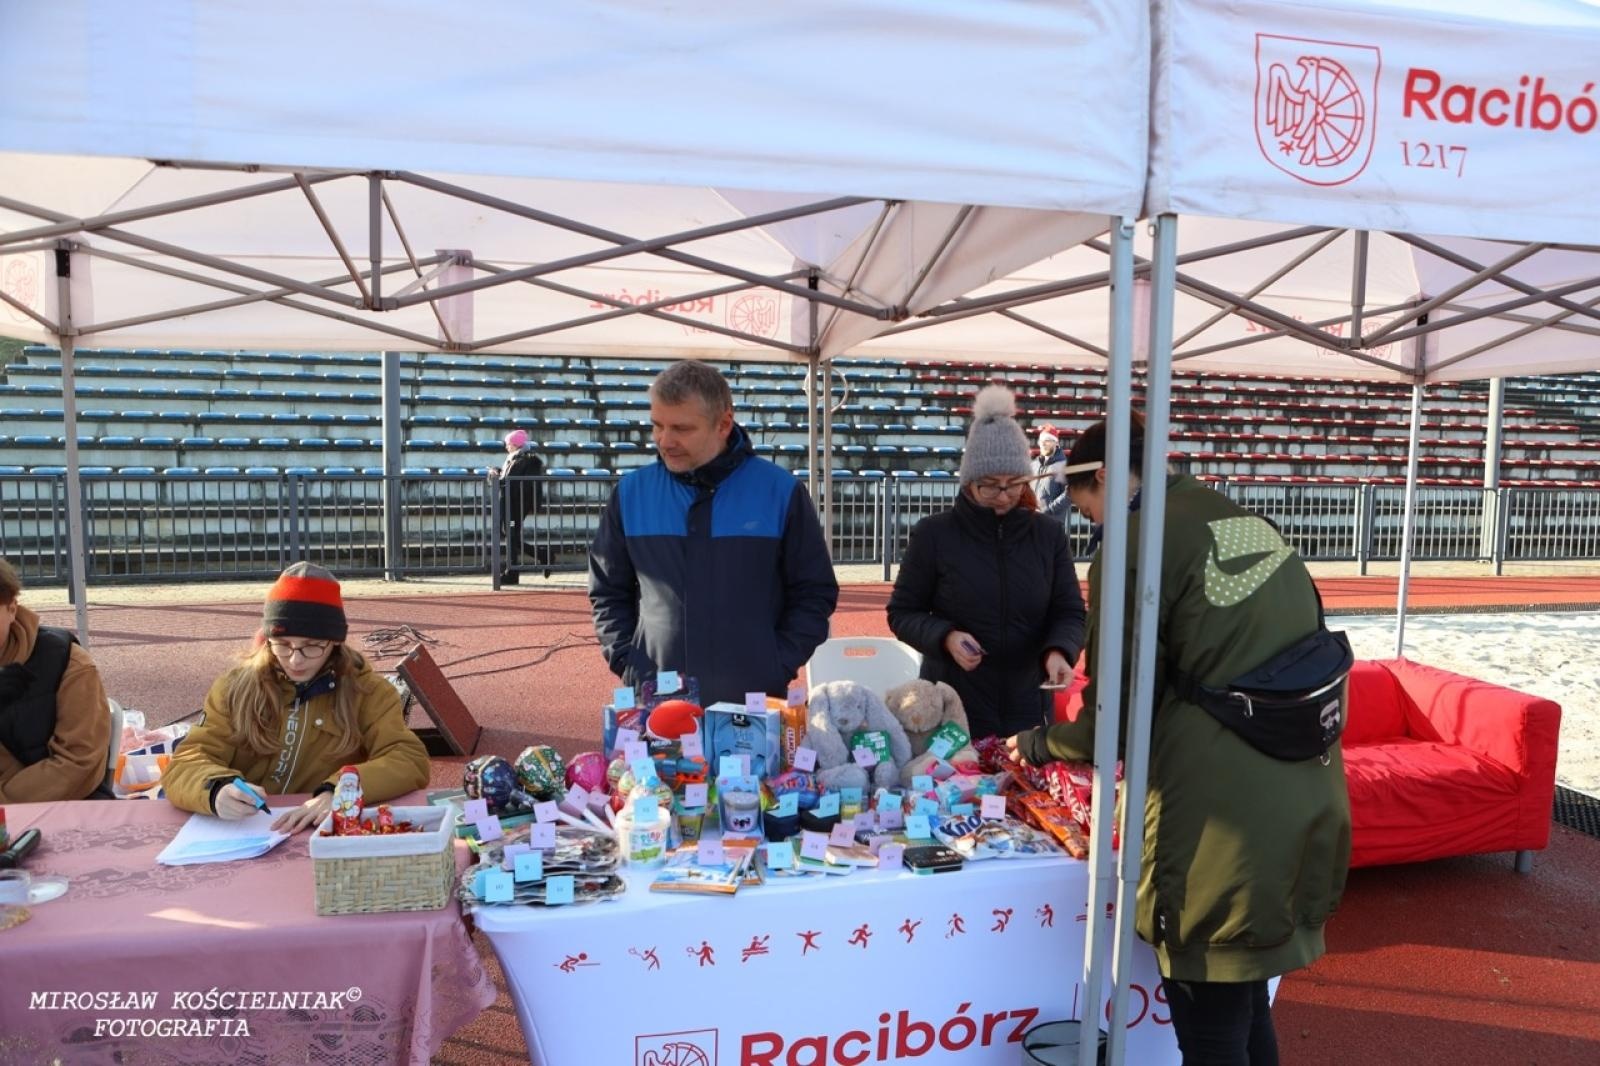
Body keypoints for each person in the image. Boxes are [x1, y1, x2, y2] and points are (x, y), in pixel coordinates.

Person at [1005, 414, 1351, 1066]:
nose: (1093, 525)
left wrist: (1041, 742)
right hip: (1304, 785)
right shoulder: (1232, 515)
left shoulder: (1135, 544)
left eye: (1088, 509)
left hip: (1219, 815)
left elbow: (1115, 713)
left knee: (1212, 1026)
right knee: (1245, 1003)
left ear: (1104, 476)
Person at [588, 360, 839, 707]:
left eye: (681, 428)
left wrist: (776, 663)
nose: (665, 440)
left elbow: (814, 591)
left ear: (723, 424)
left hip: (754, 698)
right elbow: (607, 590)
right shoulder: (630, 494)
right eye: (657, 425)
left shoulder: (780, 492)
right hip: (655, 697)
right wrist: (628, 661)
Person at [162, 562, 430, 832]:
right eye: (283, 644)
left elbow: (408, 759)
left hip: (322, 830)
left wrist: (340, 791)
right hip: (244, 830)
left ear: (335, 642)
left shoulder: (369, 692)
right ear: (267, 639)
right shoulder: (233, 689)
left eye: (312, 646)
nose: (295, 660)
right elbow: (187, 761)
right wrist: (216, 789)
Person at [886, 386, 1086, 742]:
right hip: (952, 708)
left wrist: (1059, 651)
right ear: (969, 484)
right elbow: (902, 612)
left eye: (1015, 484)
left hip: (1028, 708)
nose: (1004, 496)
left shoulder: (1048, 535)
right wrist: (946, 637)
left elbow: (1070, 611)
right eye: (990, 486)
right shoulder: (934, 534)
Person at [0, 558, 113, 802]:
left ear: (11, 609)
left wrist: (5, 801)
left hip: (59, 807)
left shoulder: (67, 663)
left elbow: (78, 762)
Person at [498, 429, 545, 585]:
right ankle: (542, 555)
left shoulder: (527, 460)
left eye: (508, 444)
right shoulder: (513, 459)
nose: (506, 446)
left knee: (511, 535)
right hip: (510, 503)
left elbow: (522, 485)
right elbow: (508, 480)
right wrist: (496, 475)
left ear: (515, 444)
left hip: (516, 505)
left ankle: (512, 573)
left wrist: (501, 481)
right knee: (510, 535)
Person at [1033, 424, 1070, 518]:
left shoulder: (1063, 466)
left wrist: (1048, 510)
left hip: (1051, 522)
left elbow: (1069, 494)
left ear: (1056, 443)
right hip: (1032, 521)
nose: (1043, 444)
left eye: (1047, 440)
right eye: (1041, 441)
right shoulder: (1035, 465)